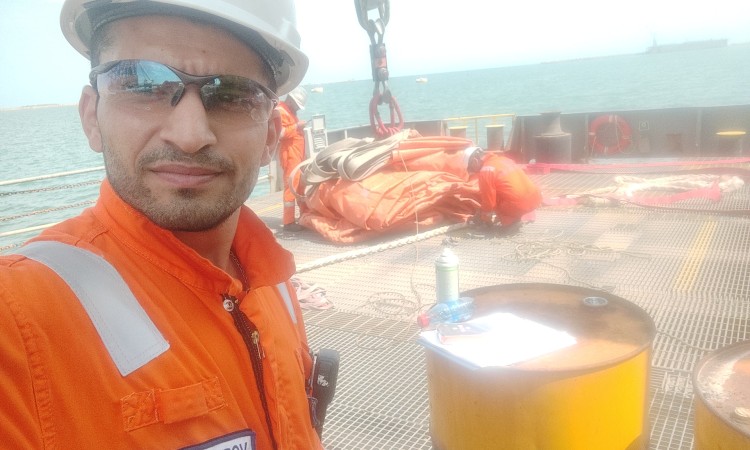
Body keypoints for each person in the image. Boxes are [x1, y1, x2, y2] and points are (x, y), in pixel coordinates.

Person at [0, 1, 325, 449]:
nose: (189, 136)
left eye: (232, 94)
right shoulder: (19, 316)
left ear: (271, 136)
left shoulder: (276, 284)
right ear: (92, 117)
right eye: (142, 84)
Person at [467, 147, 543, 230]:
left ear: (474, 161)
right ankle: (516, 214)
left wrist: (484, 218)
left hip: (519, 205)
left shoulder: (486, 171)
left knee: (494, 198)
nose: (473, 172)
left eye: (471, 168)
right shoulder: (504, 160)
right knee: (503, 189)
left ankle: (510, 222)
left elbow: (489, 202)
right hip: (536, 199)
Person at [277, 87, 308, 232]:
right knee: (291, 187)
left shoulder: (290, 112)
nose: (298, 108)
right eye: (297, 105)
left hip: (297, 157)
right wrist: (297, 126)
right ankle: (288, 222)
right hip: (290, 156)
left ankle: (304, 215)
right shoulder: (281, 111)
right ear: (291, 100)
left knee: (300, 186)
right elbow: (280, 134)